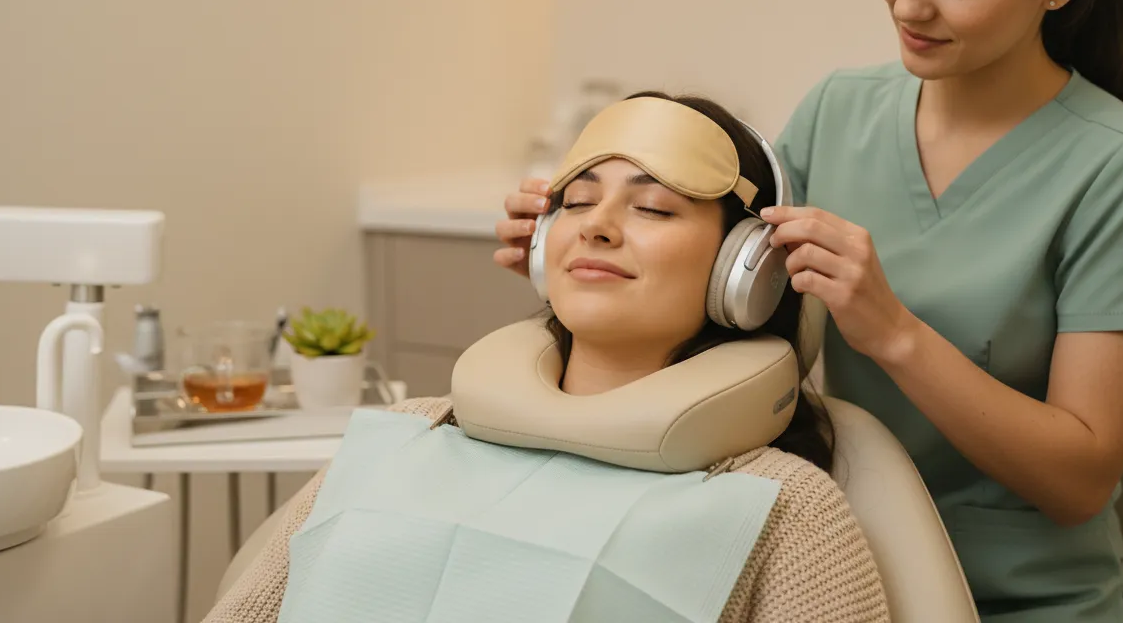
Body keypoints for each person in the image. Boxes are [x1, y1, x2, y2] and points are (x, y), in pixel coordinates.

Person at [495, 0, 1123, 621]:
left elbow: (1080, 481)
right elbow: (720, 291)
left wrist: (891, 331)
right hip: (836, 571)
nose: (910, 3)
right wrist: (579, 243)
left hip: (1024, 602)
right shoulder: (838, 110)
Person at [206, 92, 891, 623]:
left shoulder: (785, 507)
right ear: (539, 248)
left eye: (652, 209)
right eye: (577, 201)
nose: (595, 224)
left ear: (745, 270)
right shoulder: (407, 434)